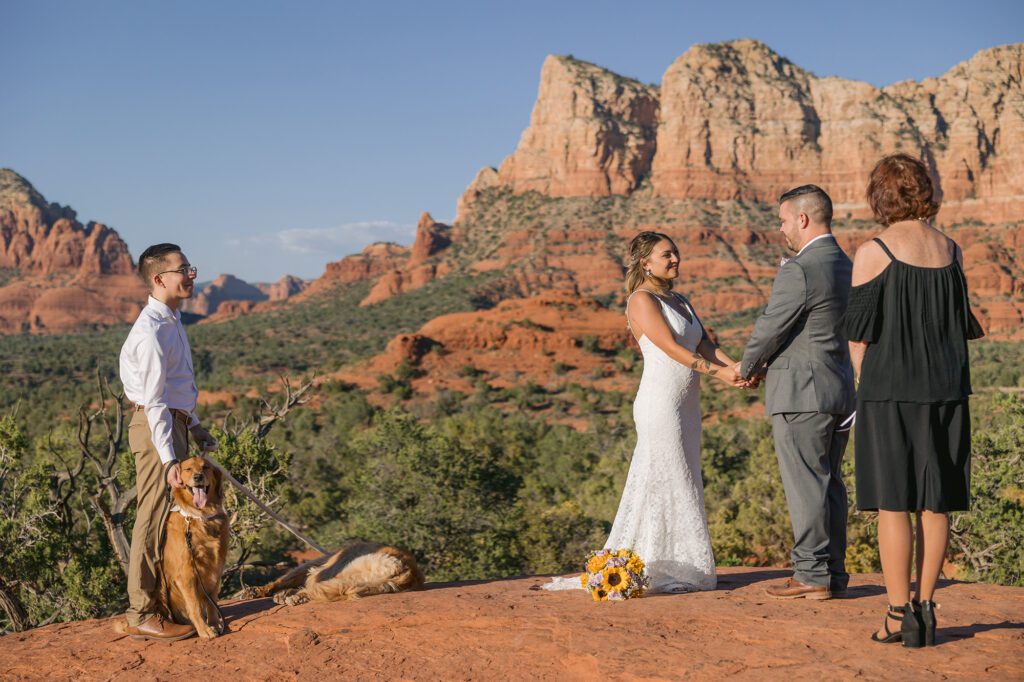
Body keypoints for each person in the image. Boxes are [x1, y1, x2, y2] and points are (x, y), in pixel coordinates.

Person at [544, 231, 745, 594]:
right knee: (669, 475)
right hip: (660, 403)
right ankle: (664, 564)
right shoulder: (641, 300)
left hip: (687, 405)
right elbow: (669, 348)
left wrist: (736, 369)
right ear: (645, 262)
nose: (675, 260)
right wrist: (719, 374)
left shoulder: (680, 299)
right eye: (666, 255)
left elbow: (703, 343)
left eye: (676, 253)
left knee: (685, 474)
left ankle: (672, 561)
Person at [839, 154, 982, 648]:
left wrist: (866, 384)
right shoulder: (952, 250)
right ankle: (927, 608)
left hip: (889, 390)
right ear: (924, 190)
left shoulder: (873, 250)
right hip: (947, 390)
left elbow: (857, 336)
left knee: (895, 505)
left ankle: (899, 615)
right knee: (935, 503)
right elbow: (960, 327)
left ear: (880, 197)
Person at [734, 185, 856, 600]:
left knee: (805, 484)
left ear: (803, 219)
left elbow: (773, 324)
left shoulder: (800, 268)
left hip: (802, 393)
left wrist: (748, 367)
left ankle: (810, 574)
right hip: (839, 389)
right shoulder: (846, 263)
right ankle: (833, 572)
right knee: (829, 483)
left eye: (784, 220)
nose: (782, 227)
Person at [118, 243, 218, 641]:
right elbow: (154, 401)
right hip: (155, 428)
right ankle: (141, 612)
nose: (191, 275)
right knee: (153, 512)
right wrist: (167, 460)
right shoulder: (151, 332)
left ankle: (167, 603)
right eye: (183, 270)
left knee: (170, 516)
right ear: (160, 279)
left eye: (191, 268)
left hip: (171, 425)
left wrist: (193, 426)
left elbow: (173, 393)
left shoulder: (172, 320)